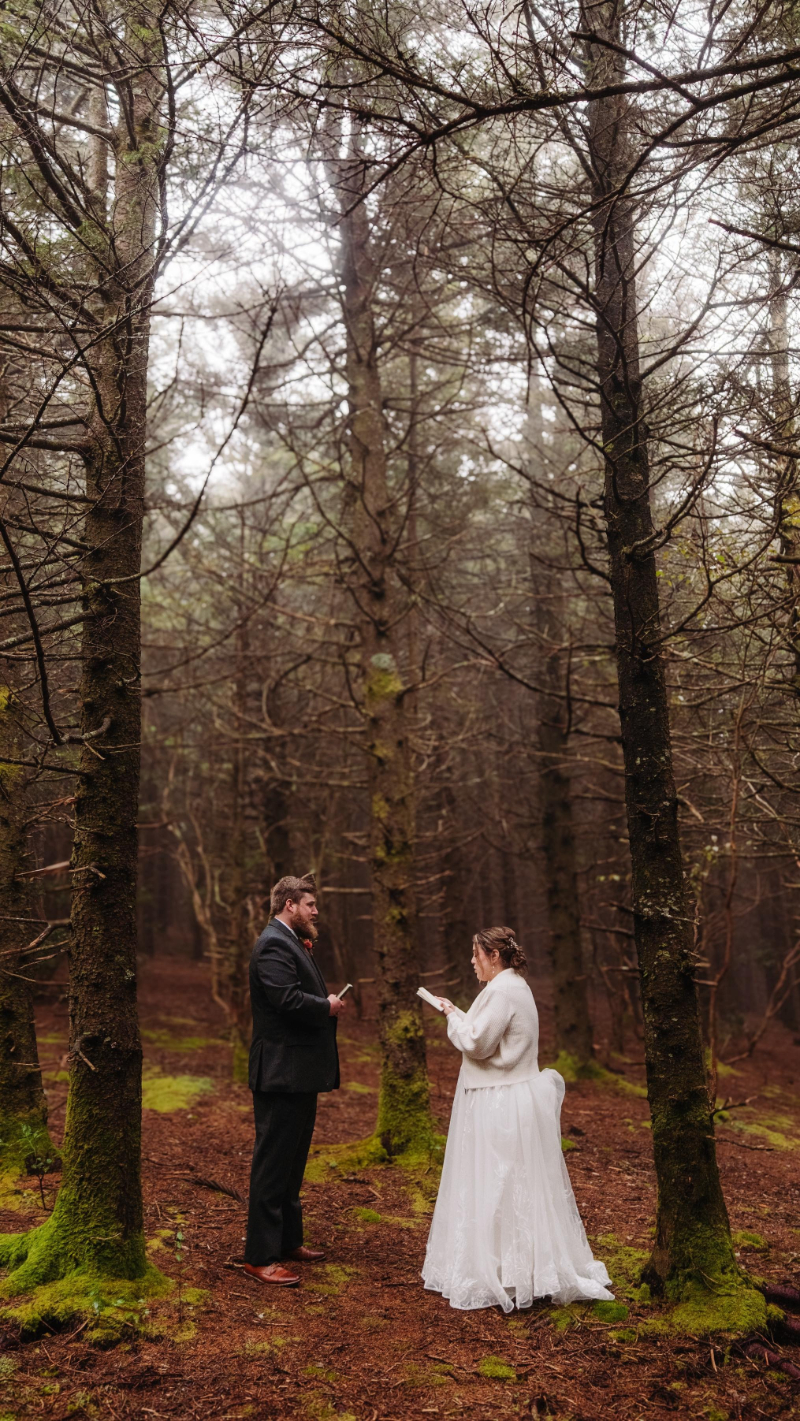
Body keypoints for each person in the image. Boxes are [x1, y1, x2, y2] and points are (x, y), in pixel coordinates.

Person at [422, 926, 612, 1313]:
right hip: (507, 1096)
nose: (472, 962)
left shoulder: (503, 990)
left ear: (494, 956)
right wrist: (458, 1011)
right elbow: (489, 1032)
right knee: (510, 1184)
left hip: (500, 1101)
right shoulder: (512, 987)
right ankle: (514, 1266)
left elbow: (477, 1043)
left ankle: (509, 1270)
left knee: (499, 1182)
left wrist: (449, 1016)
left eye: (476, 954)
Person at [243, 873, 347, 1288]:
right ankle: (260, 1256)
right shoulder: (272, 943)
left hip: (298, 1072)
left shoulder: (289, 940)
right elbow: (284, 999)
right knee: (272, 1164)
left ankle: (288, 1241)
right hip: (279, 1072)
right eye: (309, 904)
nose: (315, 911)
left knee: (293, 1161)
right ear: (289, 904)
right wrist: (327, 1005)